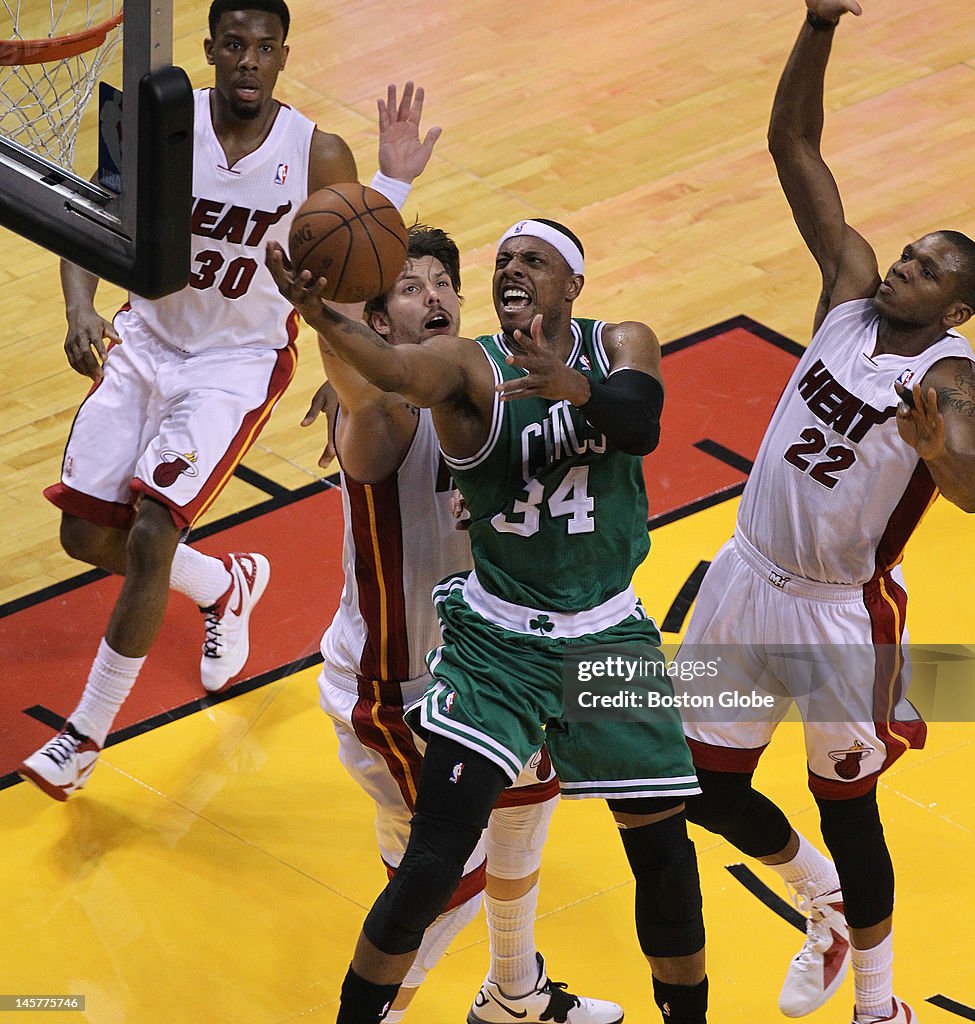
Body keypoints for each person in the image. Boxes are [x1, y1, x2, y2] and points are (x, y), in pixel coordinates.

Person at [268, 217, 709, 1024]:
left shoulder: (620, 342)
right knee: (444, 873)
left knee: (637, 845)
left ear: (572, 283)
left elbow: (639, 422)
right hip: (452, 660)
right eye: (502, 257)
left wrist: (572, 387)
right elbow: (387, 371)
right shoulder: (451, 376)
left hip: (600, 632)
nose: (509, 268)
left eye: (530, 259)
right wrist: (323, 321)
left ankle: (515, 991)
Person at [18, 0, 436, 801]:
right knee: (82, 535)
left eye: (265, 47)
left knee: (149, 534)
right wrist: (80, 308)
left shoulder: (316, 150)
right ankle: (223, 586)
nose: (249, 59)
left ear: (284, 56)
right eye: (234, 45)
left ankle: (82, 737)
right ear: (208, 49)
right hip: (143, 340)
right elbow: (90, 216)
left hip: (235, 362)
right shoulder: (160, 124)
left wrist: (353, 362)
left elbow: (356, 264)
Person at [674, 3, 975, 1024]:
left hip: (838, 615)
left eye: (930, 270)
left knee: (850, 810)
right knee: (699, 786)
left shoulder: (955, 377)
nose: (903, 268)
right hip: (743, 575)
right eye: (909, 255)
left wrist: (942, 458)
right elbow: (791, 142)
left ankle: (880, 1005)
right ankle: (825, 909)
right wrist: (816, 25)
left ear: (958, 308)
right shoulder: (846, 291)